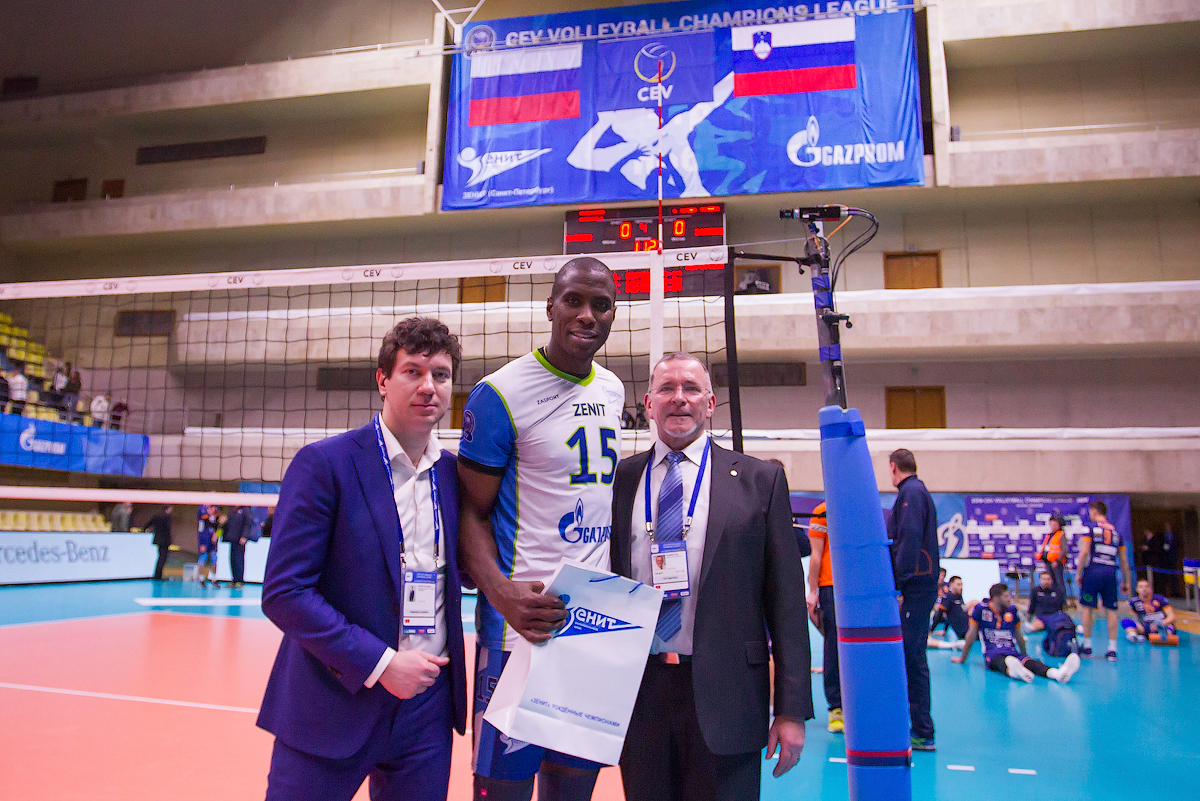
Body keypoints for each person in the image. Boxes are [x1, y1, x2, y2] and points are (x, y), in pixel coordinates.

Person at [257, 317, 468, 801]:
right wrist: (380, 663)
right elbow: (285, 593)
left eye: (440, 374)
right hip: (332, 701)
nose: (428, 386)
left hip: (427, 710)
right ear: (382, 380)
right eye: (412, 371)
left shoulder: (455, 475)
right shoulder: (324, 463)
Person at [457, 258, 625, 801]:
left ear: (613, 314)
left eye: (601, 305)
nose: (587, 315)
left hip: (590, 630)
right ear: (550, 307)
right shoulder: (499, 393)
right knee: (502, 790)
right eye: (573, 300)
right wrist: (500, 593)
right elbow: (470, 513)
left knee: (573, 791)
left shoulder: (614, 389)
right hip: (519, 631)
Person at [611, 353, 810, 801]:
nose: (679, 398)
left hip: (729, 694)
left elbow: (787, 604)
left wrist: (791, 710)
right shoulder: (622, 479)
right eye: (666, 388)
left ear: (711, 403)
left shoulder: (760, 481)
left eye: (691, 388)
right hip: (641, 694)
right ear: (648, 404)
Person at [886, 448, 939, 752]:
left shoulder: (912, 493)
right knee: (913, 655)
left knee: (912, 657)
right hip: (918, 586)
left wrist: (898, 585)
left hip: (916, 587)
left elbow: (908, 537)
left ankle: (922, 730)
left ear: (893, 467)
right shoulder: (914, 492)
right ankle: (918, 727)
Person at [952, 583, 1080, 684]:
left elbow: (1019, 636)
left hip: (1012, 652)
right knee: (1001, 663)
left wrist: (1025, 655)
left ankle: (1058, 674)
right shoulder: (981, 609)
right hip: (993, 653)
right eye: (1006, 596)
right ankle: (1016, 672)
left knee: (1032, 663)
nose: (1010, 598)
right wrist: (963, 658)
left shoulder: (1012, 610)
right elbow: (971, 635)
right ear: (996, 598)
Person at [1077, 500, 1131, 661]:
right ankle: (1112, 649)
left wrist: (1079, 573)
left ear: (1094, 511)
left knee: (1087, 608)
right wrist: (1126, 581)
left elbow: (1084, 552)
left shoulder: (1091, 529)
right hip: (1110, 573)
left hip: (1093, 572)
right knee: (1111, 610)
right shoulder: (1117, 533)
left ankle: (1087, 646)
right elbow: (1124, 561)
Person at [806, 501, 842, 732]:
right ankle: (836, 708)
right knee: (834, 646)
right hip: (831, 586)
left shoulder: (861, 506)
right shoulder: (823, 511)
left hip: (859, 589)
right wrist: (813, 591)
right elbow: (816, 554)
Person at [1022, 570, 1077, 657]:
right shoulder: (1035, 591)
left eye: (1048, 579)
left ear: (1051, 580)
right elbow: (1031, 607)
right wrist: (1027, 620)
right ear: (1040, 580)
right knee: (1031, 628)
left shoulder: (1058, 591)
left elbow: (1062, 607)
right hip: (1041, 618)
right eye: (1044, 579)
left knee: (1065, 626)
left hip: (1055, 618)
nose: (1046, 581)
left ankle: (1076, 628)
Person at [1122, 579, 1178, 645]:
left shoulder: (1160, 599)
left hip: (1161, 624)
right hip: (1146, 627)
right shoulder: (1134, 602)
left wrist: (1161, 623)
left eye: (1146, 586)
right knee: (1126, 621)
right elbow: (1135, 617)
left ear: (1150, 589)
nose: (1144, 589)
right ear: (1137, 589)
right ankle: (1133, 637)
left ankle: (1165, 634)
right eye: (1141, 587)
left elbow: (1171, 616)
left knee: (1169, 627)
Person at [927, 576, 970, 650]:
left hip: (968, 626)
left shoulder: (959, 597)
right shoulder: (947, 597)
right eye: (958, 585)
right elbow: (940, 614)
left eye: (961, 585)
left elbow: (951, 616)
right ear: (951, 585)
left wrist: (944, 630)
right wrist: (931, 631)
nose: (961, 587)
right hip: (965, 631)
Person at [1035, 514, 1068, 600]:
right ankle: (1053, 599)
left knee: (1059, 582)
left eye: (1055, 524)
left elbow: (1064, 550)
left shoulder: (1061, 535)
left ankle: (1062, 601)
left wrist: (1057, 561)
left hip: (1057, 563)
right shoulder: (1049, 535)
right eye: (1051, 524)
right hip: (1048, 562)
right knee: (1051, 583)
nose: (1052, 526)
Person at [223, 505, 257, 587]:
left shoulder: (245, 510)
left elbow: (247, 524)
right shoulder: (232, 509)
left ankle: (239, 581)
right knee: (232, 559)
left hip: (240, 539)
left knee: (239, 559)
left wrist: (244, 536)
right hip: (232, 538)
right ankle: (234, 579)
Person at [196, 504, 220, 587]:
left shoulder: (215, 507)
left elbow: (217, 522)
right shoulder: (202, 508)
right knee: (203, 556)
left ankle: (214, 578)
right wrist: (211, 513)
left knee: (214, 556)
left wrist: (216, 533)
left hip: (212, 535)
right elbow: (205, 520)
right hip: (204, 535)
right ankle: (201, 578)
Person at [146, 505, 173, 580]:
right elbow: (168, 530)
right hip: (165, 541)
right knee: (163, 558)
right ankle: (159, 575)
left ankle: (157, 574)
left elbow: (148, 524)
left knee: (160, 557)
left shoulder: (157, 516)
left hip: (158, 540)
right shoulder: (167, 518)